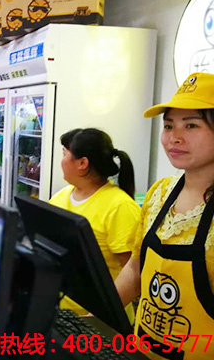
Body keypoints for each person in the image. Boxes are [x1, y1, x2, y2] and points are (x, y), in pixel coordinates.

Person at [115, 73, 214, 359]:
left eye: (191, 125)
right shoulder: (159, 193)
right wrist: (94, 315)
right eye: (169, 125)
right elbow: (136, 268)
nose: (174, 137)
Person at [49, 128, 140, 320]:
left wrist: (95, 318)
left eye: (64, 154)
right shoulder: (62, 195)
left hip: (99, 321)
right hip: (61, 313)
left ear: (82, 163)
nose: (61, 161)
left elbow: (133, 273)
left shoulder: (120, 206)